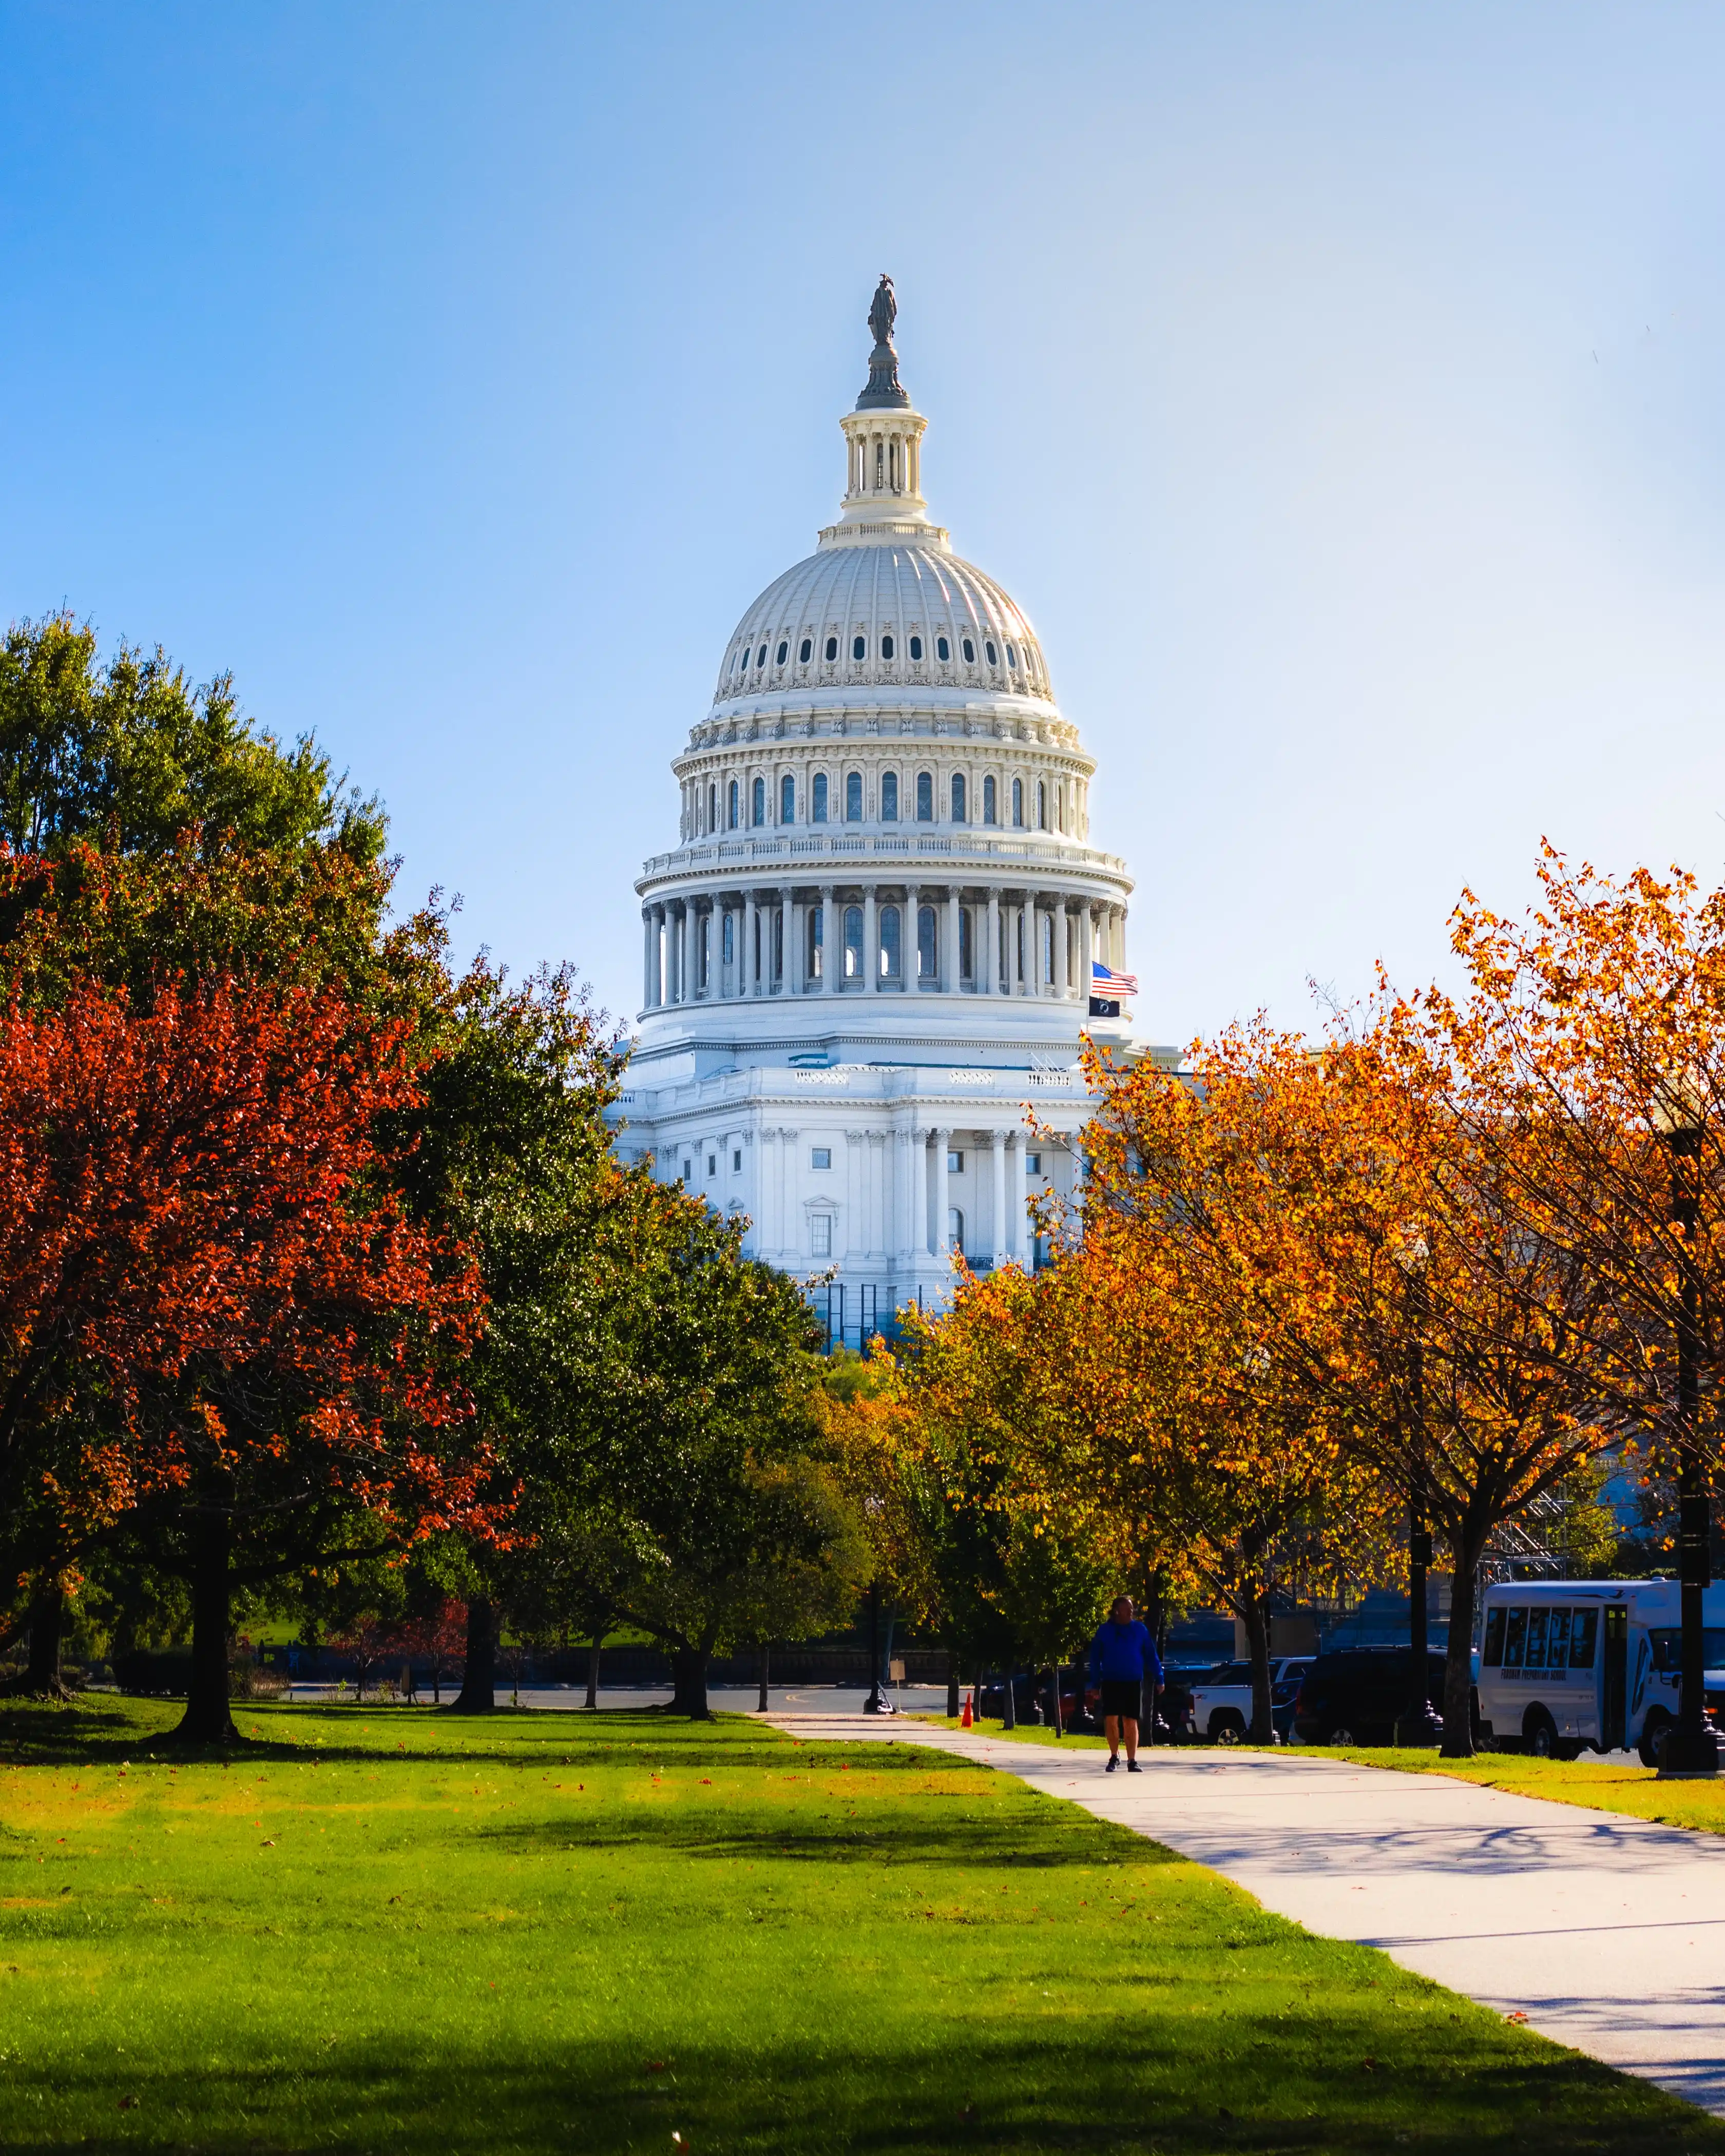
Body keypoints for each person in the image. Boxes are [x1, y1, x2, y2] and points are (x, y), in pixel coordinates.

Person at [1087, 1595, 1162, 1773]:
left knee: (1130, 1721)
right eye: (1127, 1609)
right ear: (1116, 1611)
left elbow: (1151, 1656)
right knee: (1111, 1719)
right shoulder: (1105, 1631)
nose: (1131, 1612)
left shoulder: (1140, 1630)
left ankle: (1132, 1760)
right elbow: (1095, 1658)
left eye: (1132, 1609)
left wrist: (1160, 1678)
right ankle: (1114, 1756)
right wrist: (1095, 1684)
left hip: (1133, 1681)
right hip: (1111, 1681)